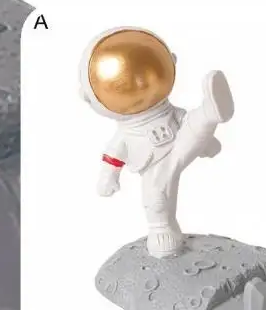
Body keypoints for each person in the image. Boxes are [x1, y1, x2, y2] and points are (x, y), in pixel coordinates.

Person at [80, 28, 235, 258]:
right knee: (156, 195)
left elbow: (182, 120)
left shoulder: (170, 112)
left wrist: (206, 143)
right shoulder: (126, 134)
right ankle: (162, 230)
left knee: (191, 127)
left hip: (180, 143)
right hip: (153, 161)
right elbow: (114, 154)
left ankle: (208, 114)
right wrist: (108, 177)